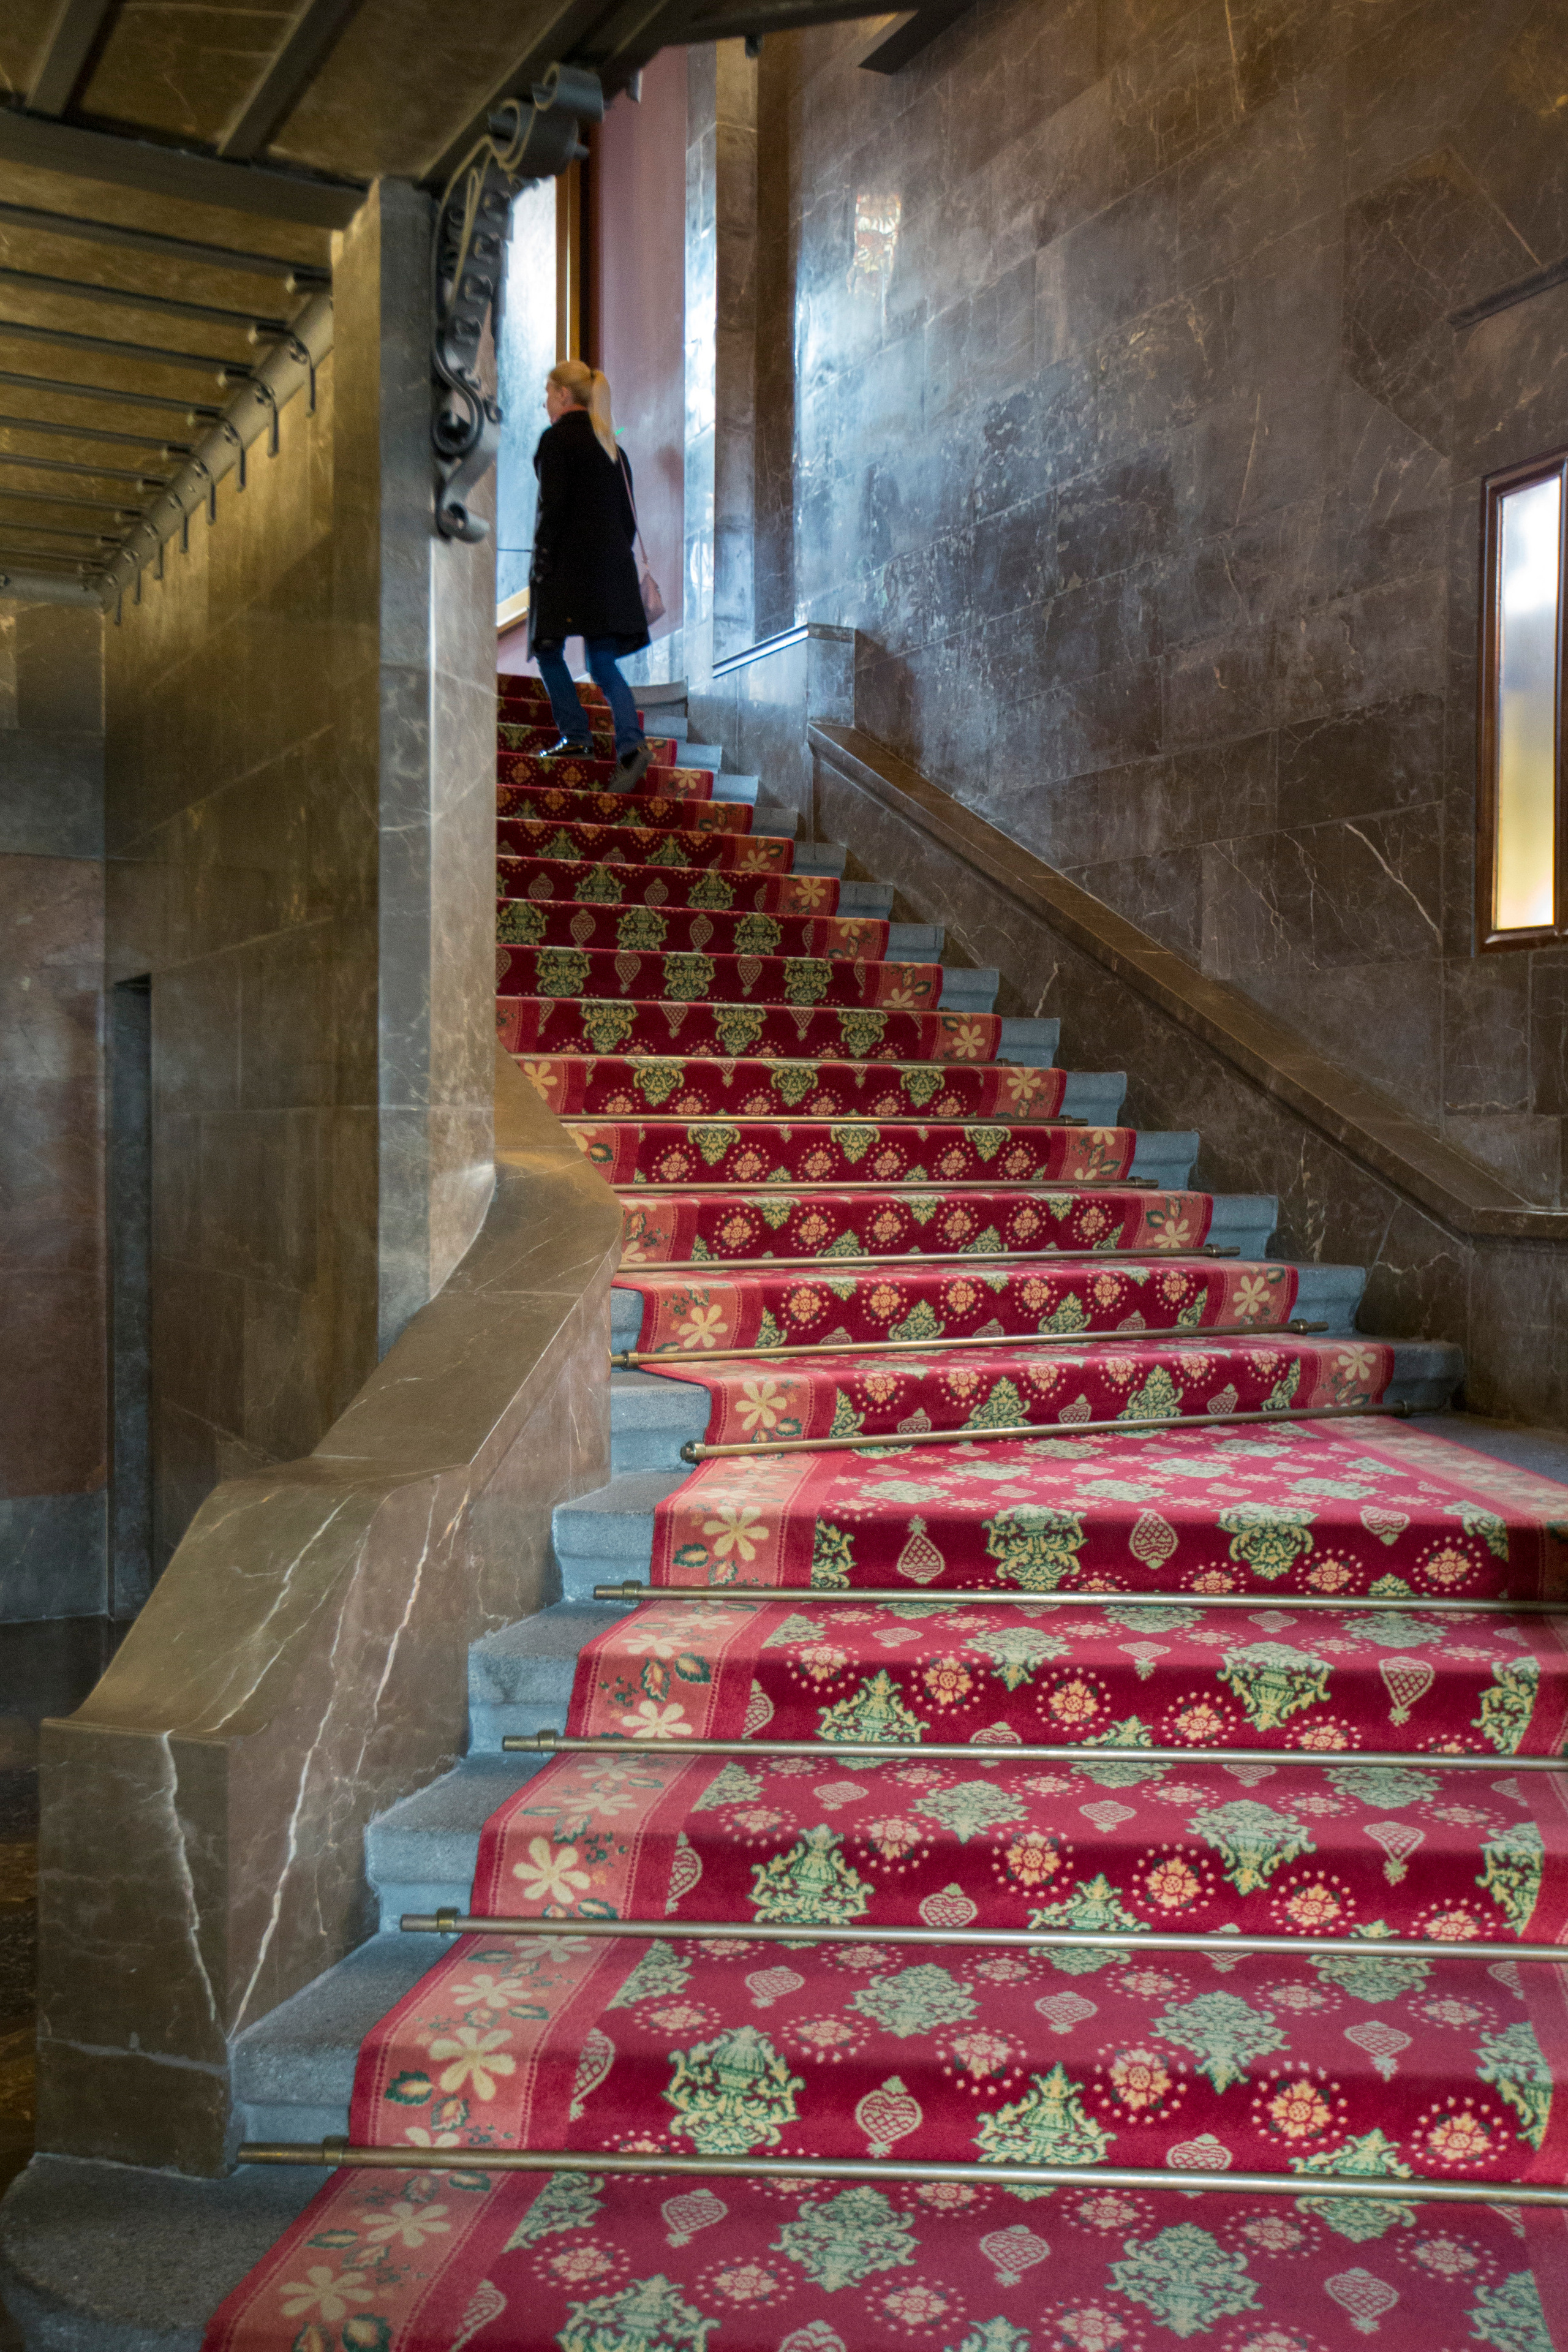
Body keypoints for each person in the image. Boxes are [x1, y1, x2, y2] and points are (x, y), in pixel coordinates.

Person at [527, 359, 653, 788]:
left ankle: (577, 736)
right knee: (601, 661)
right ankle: (631, 745)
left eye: (549, 393)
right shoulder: (613, 448)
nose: (546, 403)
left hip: (568, 568)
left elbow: (553, 508)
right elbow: (629, 519)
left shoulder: (556, 440)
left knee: (547, 648)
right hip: (613, 569)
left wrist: (541, 562)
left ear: (565, 395)